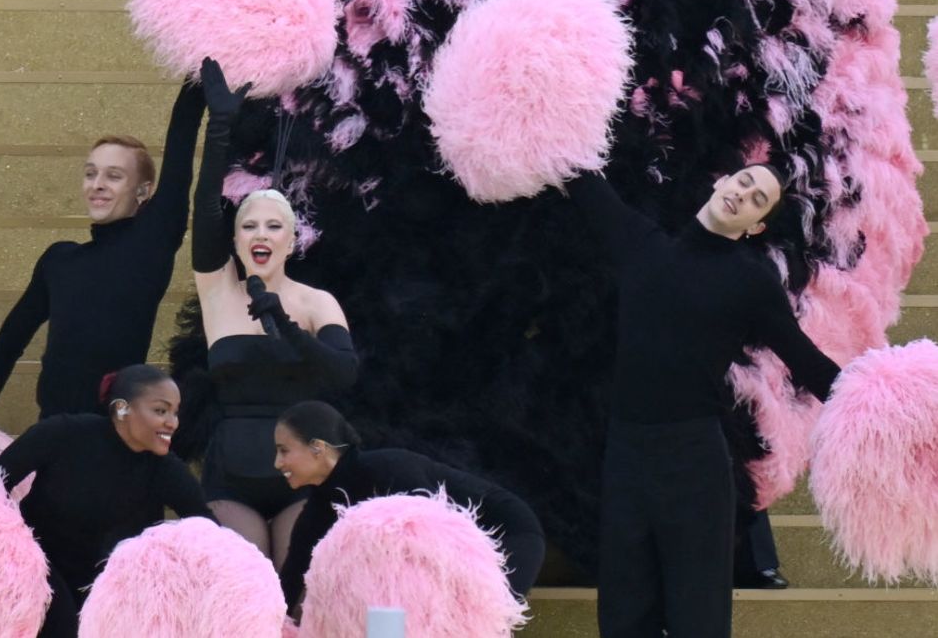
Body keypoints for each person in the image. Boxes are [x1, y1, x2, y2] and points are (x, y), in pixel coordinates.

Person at [567, 164, 840, 637]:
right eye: (743, 182)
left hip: (694, 468)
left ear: (755, 226)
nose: (743, 194)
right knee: (623, 617)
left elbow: (809, 362)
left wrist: (882, 406)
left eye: (758, 200)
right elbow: (581, 178)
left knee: (699, 621)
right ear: (720, 182)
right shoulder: (641, 247)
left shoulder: (751, 282)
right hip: (625, 460)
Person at [186, 57, 358, 567]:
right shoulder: (218, 290)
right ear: (236, 240)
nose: (260, 234)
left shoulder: (316, 302)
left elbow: (344, 373)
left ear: (291, 241)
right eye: (249, 226)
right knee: (249, 583)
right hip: (230, 473)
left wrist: (281, 321)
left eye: (273, 227)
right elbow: (203, 208)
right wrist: (220, 126)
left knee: (295, 587)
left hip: (302, 475)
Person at [0, 81, 206, 434]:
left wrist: (196, 71)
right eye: (91, 174)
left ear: (143, 191)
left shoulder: (153, 240)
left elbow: (183, 132)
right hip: (52, 434)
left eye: (114, 176)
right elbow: (11, 339)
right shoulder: (59, 261)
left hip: (115, 440)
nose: (98, 184)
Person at [0, 364, 215, 638]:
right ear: (121, 409)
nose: (173, 422)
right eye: (160, 410)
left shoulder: (165, 469)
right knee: (62, 623)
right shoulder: (64, 434)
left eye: (175, 412)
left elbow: (210, 532)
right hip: (36, 567)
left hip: (104, 587)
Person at [275, 400, 545, 616]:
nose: (278, 463)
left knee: (479, 621)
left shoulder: (388, 469)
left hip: (508, 533)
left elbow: (436, 545)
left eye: (284, 450)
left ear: (318, 448)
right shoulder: (319, 509)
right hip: (453, 557)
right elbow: (288, 584)